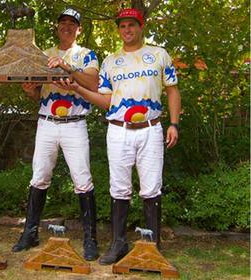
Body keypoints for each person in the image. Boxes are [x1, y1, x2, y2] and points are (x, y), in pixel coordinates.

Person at [56, 8, 181, 265]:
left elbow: (172, 90)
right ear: (118, 29)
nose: (127, 30)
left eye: (131, 25)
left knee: (151, 188)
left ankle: (152, 246)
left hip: (151, 128)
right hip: (118, 130)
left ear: (141, 26)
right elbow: (105, 101)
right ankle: (118, 244)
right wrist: (77, 87)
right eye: (122, 26)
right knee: (119, 188)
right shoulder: (111, 61)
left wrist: (174, 124)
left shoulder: (158, 54)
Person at [12, 8, 100, 261]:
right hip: (47, 121)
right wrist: (29, 90)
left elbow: (93, 84)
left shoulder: (86, 55)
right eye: (63, 23)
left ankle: (90, 238)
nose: (67, 27)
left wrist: (67, 66)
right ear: (57, 26)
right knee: (39, 176)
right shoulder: (44, 54)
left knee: (82, 179)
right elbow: (36, 91)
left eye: (72, 24)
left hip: (74, 122)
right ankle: (30, 233)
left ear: (79, 29)